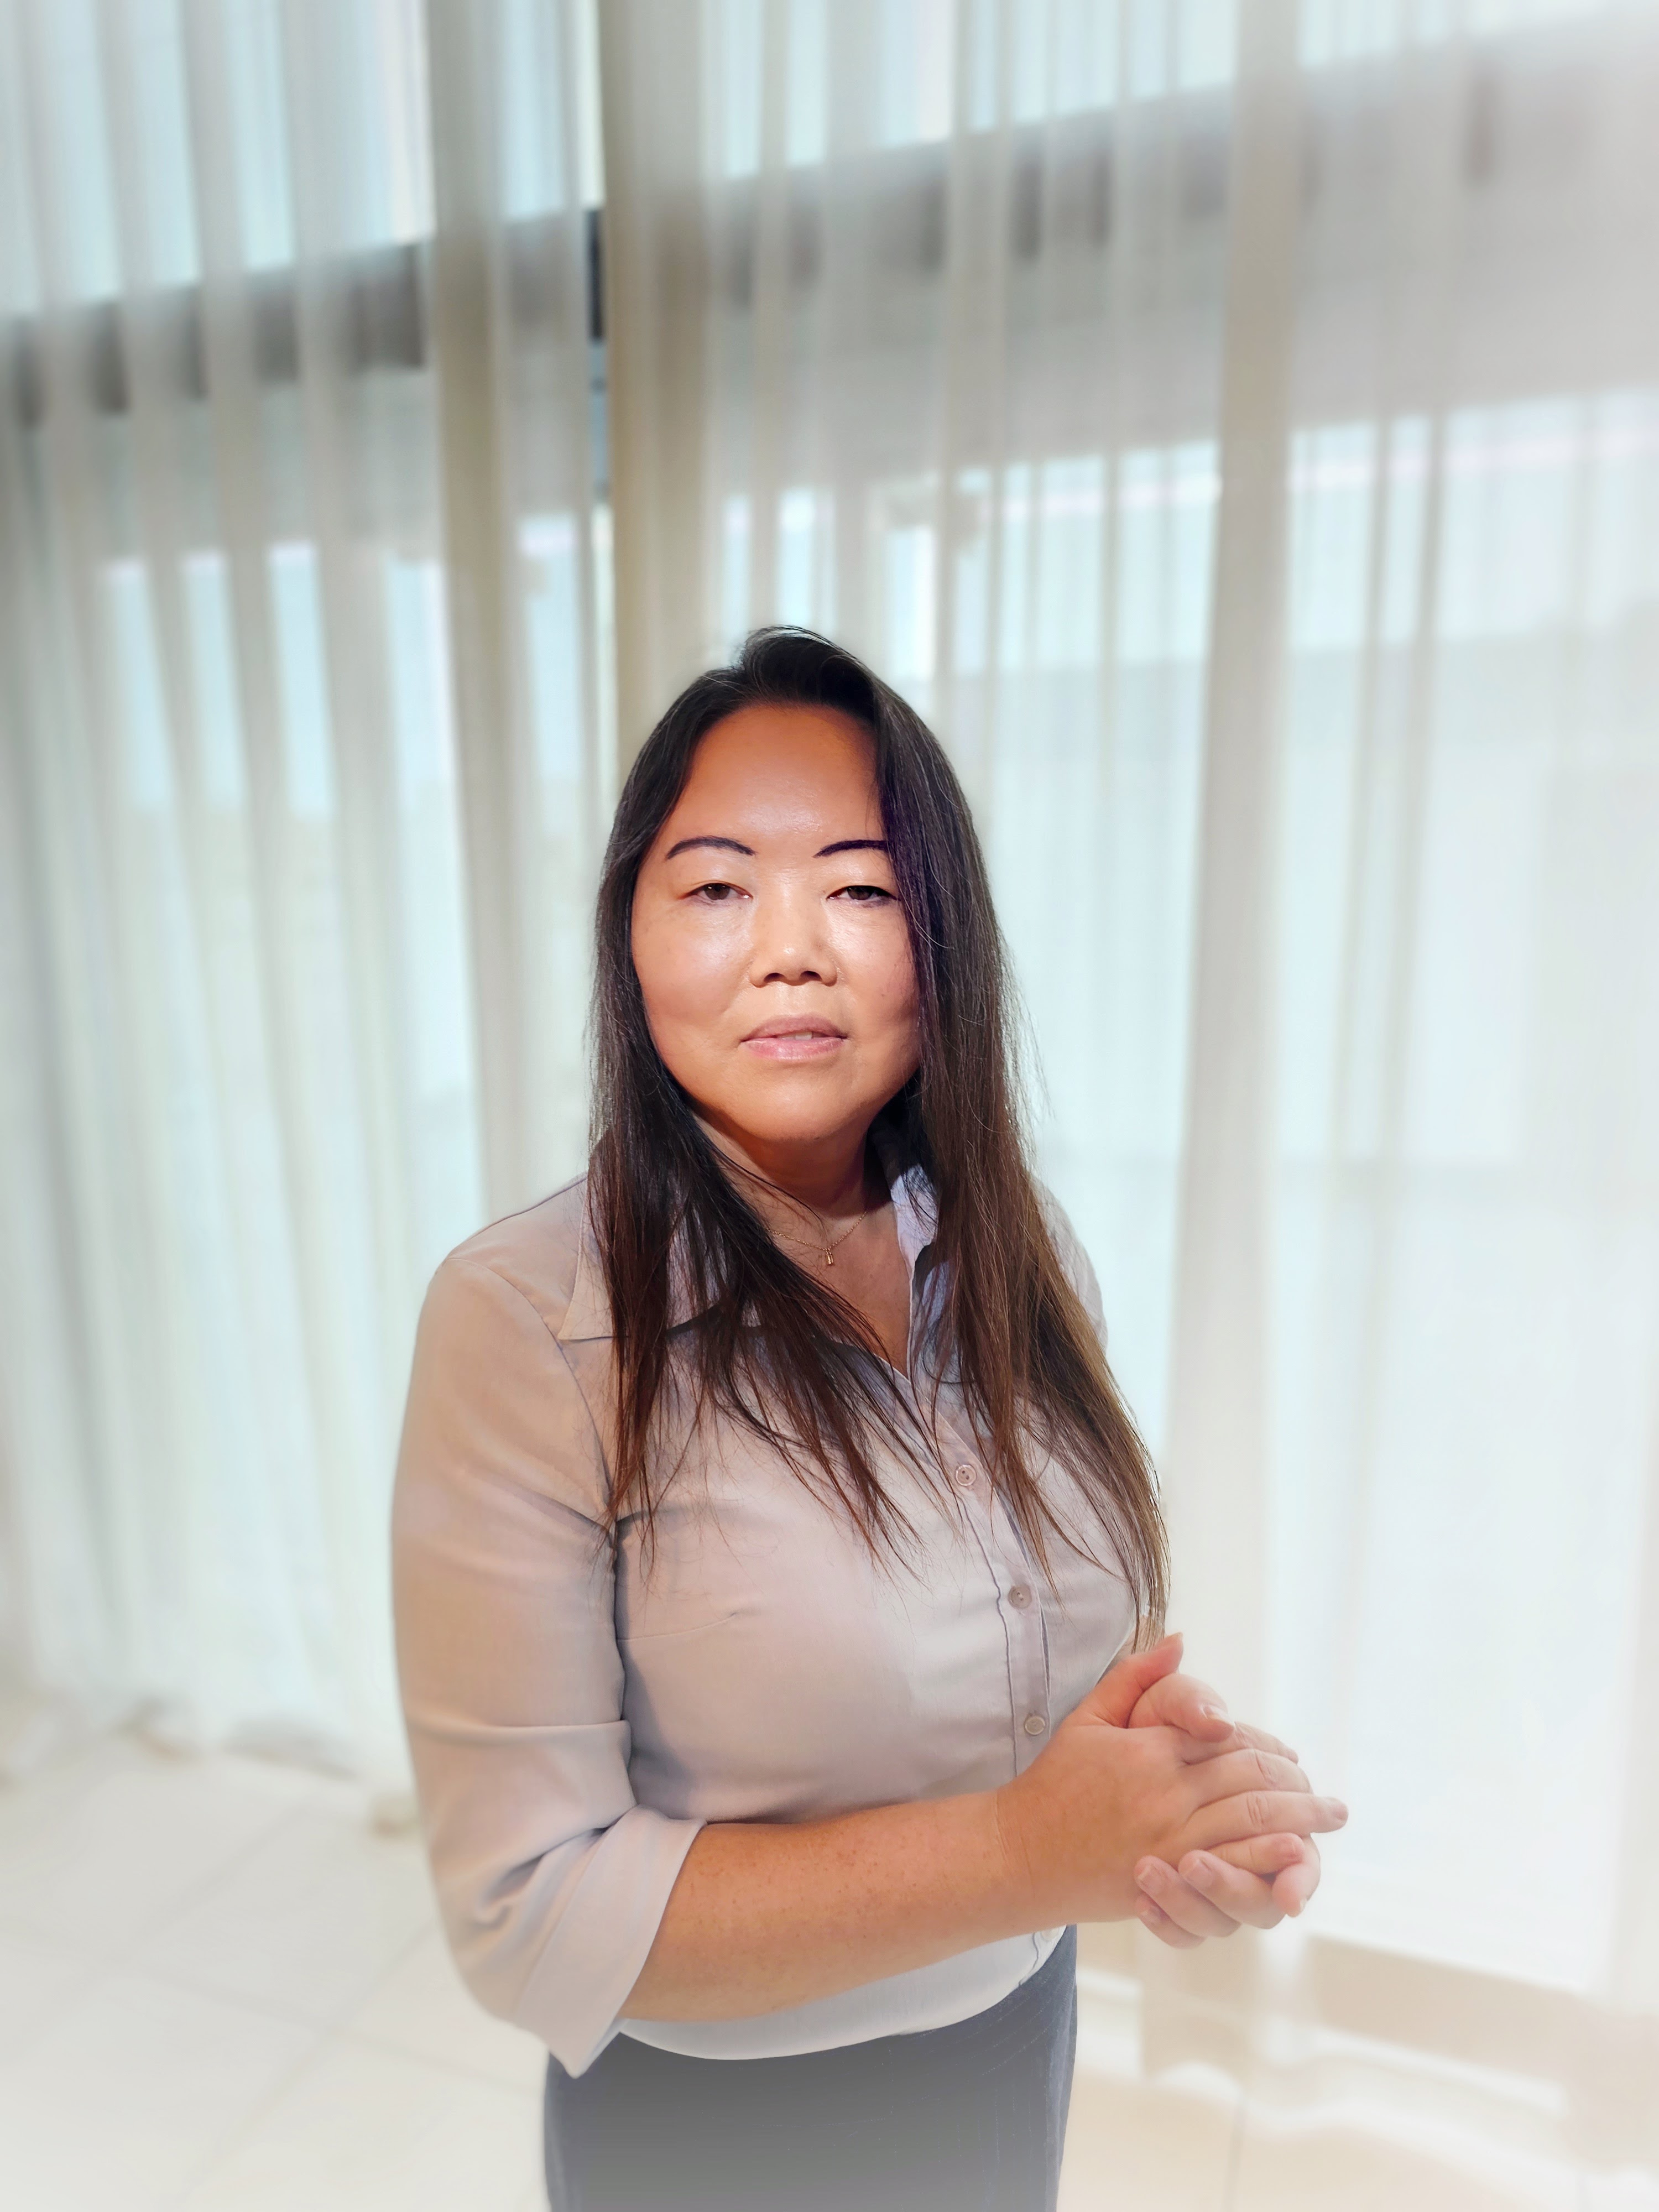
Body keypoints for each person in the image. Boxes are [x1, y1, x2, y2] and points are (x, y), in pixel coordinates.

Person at [392, 629, 1346, 2211]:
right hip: (722, 2131)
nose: (792, 951)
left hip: (1014, 2033)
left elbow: (1029, 1677)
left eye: (862, 888)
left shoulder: (1015, 1247)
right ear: (630, 936)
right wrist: (1028, 1853)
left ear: (943, 939)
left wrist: (1167, 1807)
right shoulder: (527, 1319)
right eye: (717, 887)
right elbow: (530, 1917)